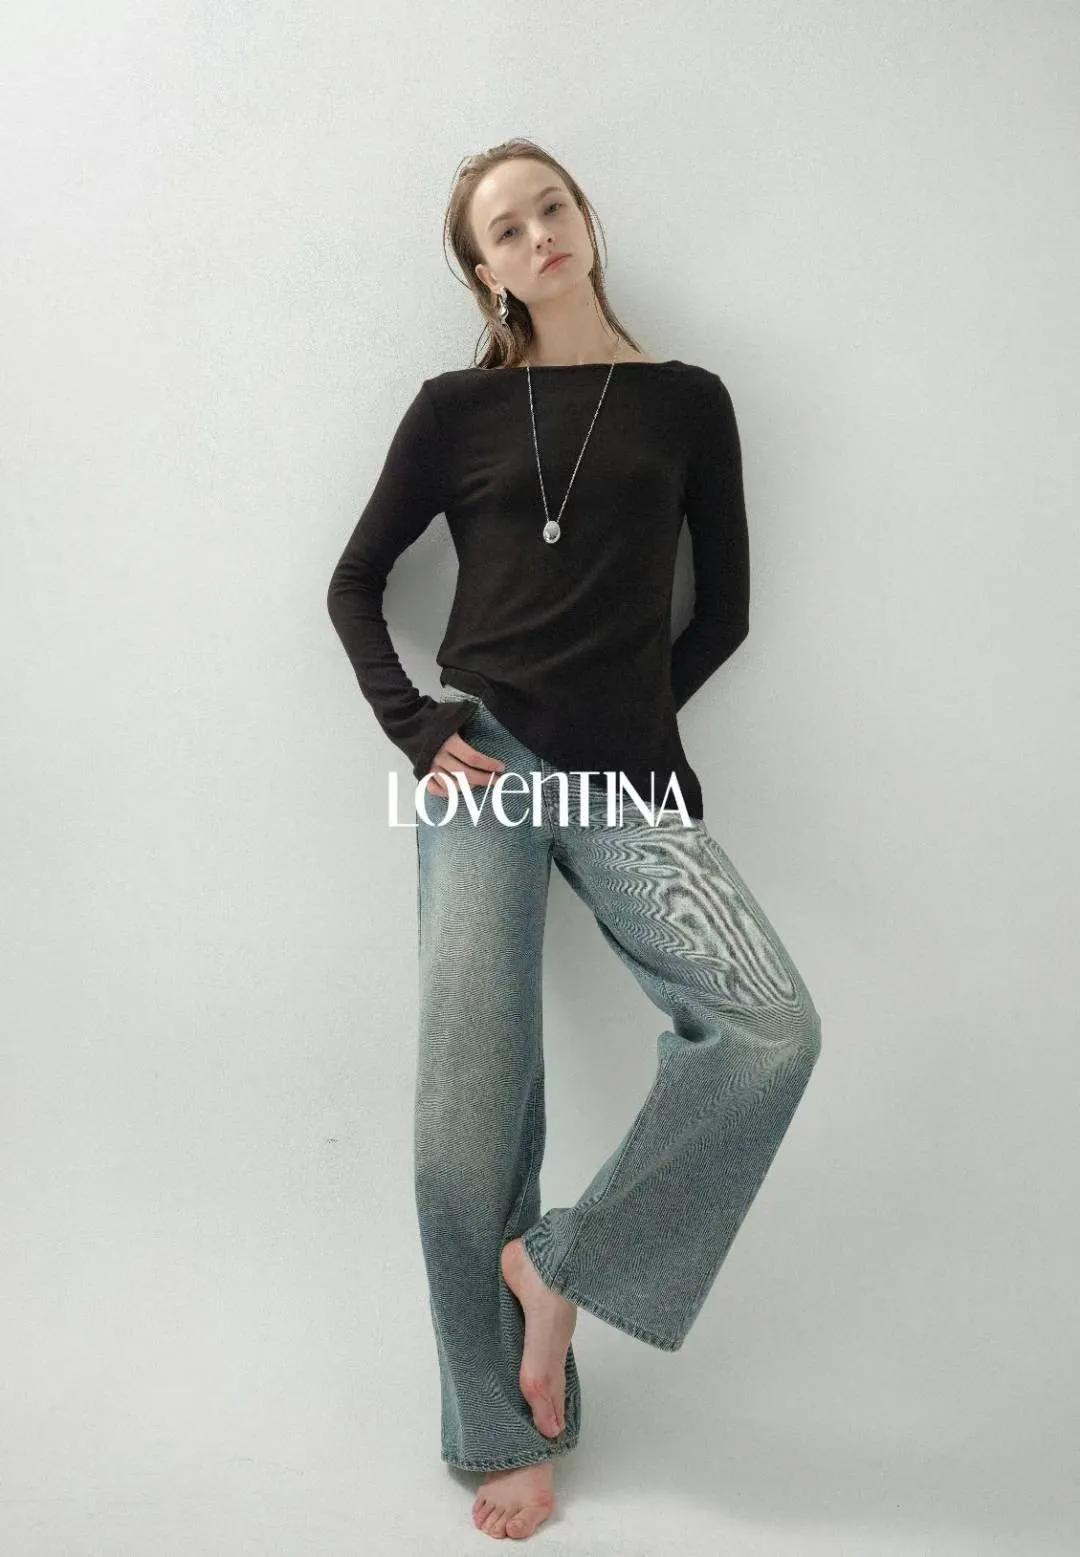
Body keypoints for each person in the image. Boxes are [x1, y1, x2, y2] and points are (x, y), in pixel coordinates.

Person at [326, 138, 822, 1543]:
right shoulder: (453, 412)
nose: (537, 233)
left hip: (627, 775)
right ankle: (501, 1431)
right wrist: (417, 728)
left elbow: (723, 611)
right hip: (481, 764)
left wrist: (628, 717)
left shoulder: (688, 402)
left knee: (771, 1027)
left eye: (551, 206)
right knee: (464, 1120)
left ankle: (563, 1268)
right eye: (505, 228)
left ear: (585, 221)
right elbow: (354, 584)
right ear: (484, 272)